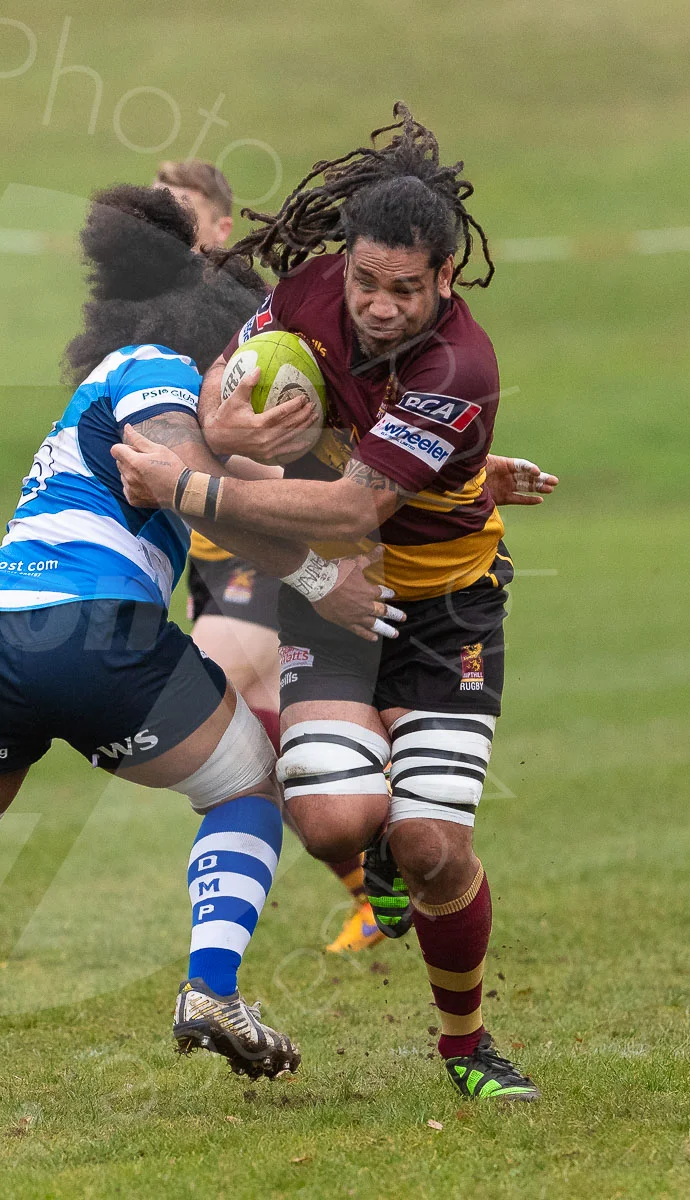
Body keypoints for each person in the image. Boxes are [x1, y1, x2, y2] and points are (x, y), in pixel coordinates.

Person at [0, 186, 398, 1111]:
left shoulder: (102, 398)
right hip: (90, 626)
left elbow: (262, 492)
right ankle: (211, 989)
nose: (245, 376)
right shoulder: (154, 370)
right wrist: (316, 583)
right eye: (241, 355)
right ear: (212, 338)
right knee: (249, 788)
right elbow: (190, 483)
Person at [113, 105, 557, 1101]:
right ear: (345, 261)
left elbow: (359, 499)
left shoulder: (459, 368)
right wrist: (230, 415)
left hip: (444, 608)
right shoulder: (316, 287)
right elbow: (236, 364)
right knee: (329, 825)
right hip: (332, 595)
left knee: (434, 843)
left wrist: (195, 486)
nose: (379, 307)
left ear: (443, 279)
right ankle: (382, 855)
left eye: (405, 291)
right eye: (365, 282)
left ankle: (466, 1046)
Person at [155, 159, 385, 954]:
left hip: (271, 544)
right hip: (208, 555)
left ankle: (368, 828)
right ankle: (368, 870)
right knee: (251, 733)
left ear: (223, 229)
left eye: (182, 216)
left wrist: (238, 446)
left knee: (208, 700)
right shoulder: (156, 322)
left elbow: (317, 439)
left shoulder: (268, 329)